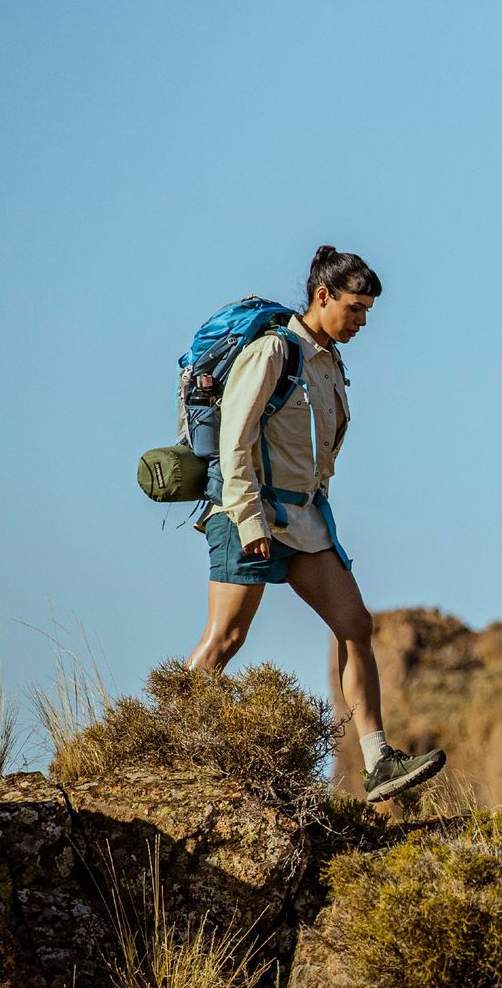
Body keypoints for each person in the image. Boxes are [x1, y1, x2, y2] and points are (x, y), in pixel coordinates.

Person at [185, 245, 445, 803]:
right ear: (322, 297)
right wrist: (250, 520)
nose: (362, 321)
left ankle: (378, 761)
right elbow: (235, 440)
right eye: (355, 308)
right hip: (246, 514)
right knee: (225, 639)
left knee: (356, 624)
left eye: (367, 311)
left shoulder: (329, 363)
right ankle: (171, 747)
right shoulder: (273, 352)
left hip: (305, 521)